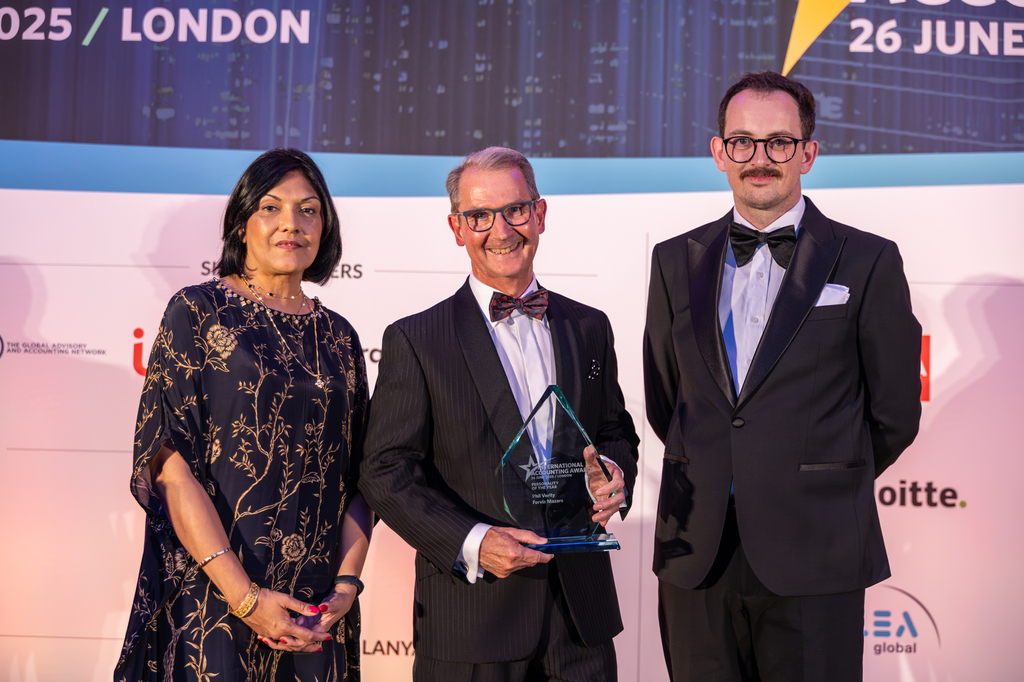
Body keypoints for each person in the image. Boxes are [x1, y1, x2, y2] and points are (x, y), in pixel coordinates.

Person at [643, 71, 922, 681]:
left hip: (816, 547)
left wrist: (816, 474)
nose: (759, 158)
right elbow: (667, 401)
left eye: (779, 142)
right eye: (742, 141)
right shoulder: (673, 260)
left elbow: (895, 413)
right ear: (719, 153)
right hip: (697, 552)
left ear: (808, 154)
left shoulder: (868, 259)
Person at [359, 146, 640, 682]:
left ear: (540, 213)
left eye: (515, 210)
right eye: (480, 216)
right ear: (457, 228)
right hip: (472, 620)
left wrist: (612, 470)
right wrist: (474, 541)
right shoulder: (416, 339)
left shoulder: (590, 326)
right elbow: (384, 472)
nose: (501, 230)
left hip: (581, 620)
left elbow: (613, 429)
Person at [115, 149, 373, 682]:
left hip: (316, 611)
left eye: (308, 210)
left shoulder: (341, 337)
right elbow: (169, 466)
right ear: (241, 222)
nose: (291, 223)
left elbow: (363, 479)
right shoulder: (197, 311)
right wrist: (246, 598)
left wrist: (347, 587)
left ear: (325, 226)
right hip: (216, 596)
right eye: (271, 207)